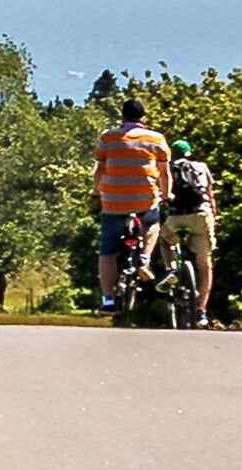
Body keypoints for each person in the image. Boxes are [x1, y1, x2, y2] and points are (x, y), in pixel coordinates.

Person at [93, 97, 171, 311]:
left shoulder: (107, 138)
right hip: (144, 199)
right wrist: (167, 193)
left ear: (122, 116)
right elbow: (164, 172)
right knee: (153, 225)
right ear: (143, 118)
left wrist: (96, 191)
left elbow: (100, 169)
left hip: (113, 202)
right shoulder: (156, 139)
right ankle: (144, 257)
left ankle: (108, 299)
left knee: (107, 251)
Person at [154, 138, 218, 326]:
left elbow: (160, 193)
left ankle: (171, 268)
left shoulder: (166, 168)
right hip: (201, 215)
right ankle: (201, 311)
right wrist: (214, 217)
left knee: (165, 240)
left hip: (177, 216)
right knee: (205, 263)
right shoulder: (201, 167)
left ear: (172, 154)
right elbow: (210, 195)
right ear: (189, 153)